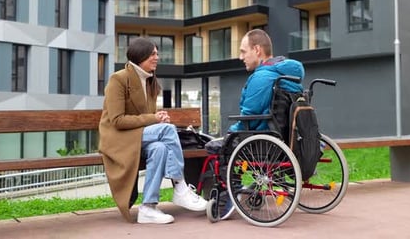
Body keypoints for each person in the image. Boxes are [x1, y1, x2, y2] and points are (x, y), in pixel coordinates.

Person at [98, 37, 207, 225]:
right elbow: (117, 120)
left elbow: (147, 117)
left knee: (160, 148)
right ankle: (180, 185)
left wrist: (157, 118)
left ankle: (148, 207)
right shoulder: (118, 79)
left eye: (157, 53)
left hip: (138, 136)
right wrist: (155, 119)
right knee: (167, 130)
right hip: (118, 139)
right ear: (141, 56)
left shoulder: (150, 82)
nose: (157, 57)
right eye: (153, 54)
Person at [207, 28, 305, 219]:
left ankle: (228, 195)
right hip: (281, 138)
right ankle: (261, 183)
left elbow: (249, 116)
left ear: (257, 50)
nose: (240, 56)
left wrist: (230, 133)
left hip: (260, 139)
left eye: (244, 51)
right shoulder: (289, 74)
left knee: (215, 147)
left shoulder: (262, 78)